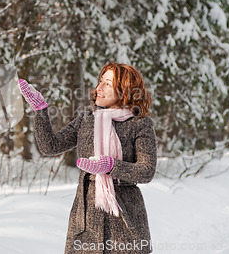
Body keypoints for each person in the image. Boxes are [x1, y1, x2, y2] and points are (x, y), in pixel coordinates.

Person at [18, 62, 157, 254]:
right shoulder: (87, 118)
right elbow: (50, 147)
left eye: (107, 84)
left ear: (125, 90)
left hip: (125, 222)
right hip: (86, 222)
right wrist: (40, 111)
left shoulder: (139, 124)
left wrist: (110, 165)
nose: (98, 88)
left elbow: (146, 170)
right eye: (100, 81)